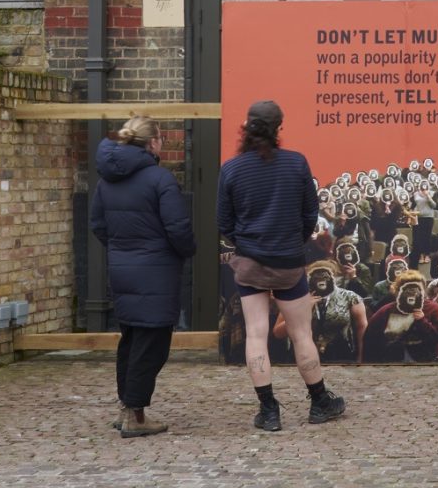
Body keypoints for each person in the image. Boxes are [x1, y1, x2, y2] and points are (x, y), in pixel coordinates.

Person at [218, 100, 347, 430]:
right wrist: (294, 242)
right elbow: (309, 216)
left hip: (250, 263)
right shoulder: (296, 164)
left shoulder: (231, 170)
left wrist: (247, 244)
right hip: (290, 263)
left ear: (246, 128)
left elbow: (224, 223)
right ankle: (320, 402)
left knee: (256, 335)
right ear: (279, 129)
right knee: (302, 333)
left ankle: (269, 411)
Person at [88, 116, 193, 437]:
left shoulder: (106, 181)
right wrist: (185, 250)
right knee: (152, 344)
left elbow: (98, 224)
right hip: (156, 272)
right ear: (153, 143)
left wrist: (122, 250)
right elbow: (178, 228)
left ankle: (127, 408)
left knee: (131, 340)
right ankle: (135, 414)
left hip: (123, 269)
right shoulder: (160, 179)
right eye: (161, 137)